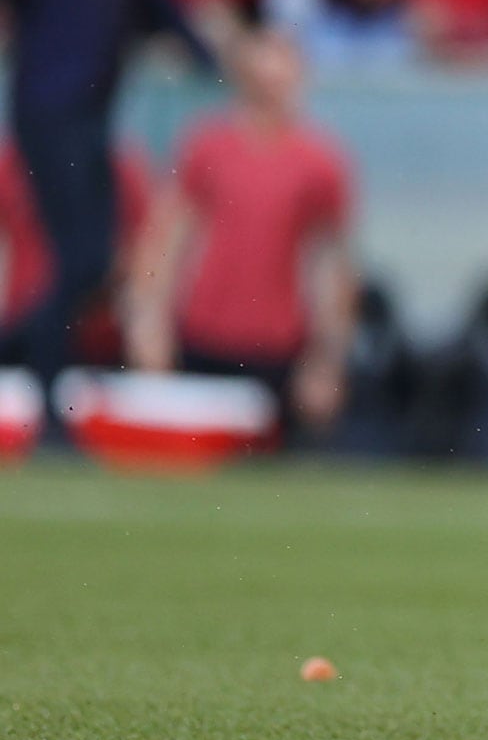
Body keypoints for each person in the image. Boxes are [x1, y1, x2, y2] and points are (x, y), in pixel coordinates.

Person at [0, 0, 214, 415]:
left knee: (95, 261)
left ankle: (24, 352)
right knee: (78, 254)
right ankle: (45, 388)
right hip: (45, 110)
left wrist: (210, 61)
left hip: (96, 114)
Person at [123, 30, 356, 439]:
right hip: (202, 334)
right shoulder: (207, 145)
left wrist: (326, 361)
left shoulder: (320, 161)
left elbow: (332, 264)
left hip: (278, 344)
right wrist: (148, 320)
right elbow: (167, 237)